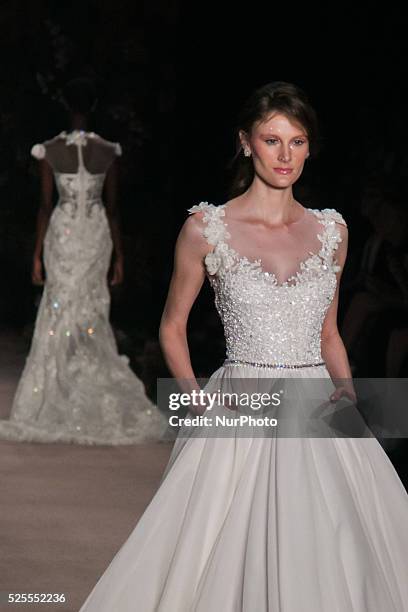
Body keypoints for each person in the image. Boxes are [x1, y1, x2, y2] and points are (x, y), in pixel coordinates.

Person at [78, 82, 408, 610]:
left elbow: (329, 333)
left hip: (320, 405)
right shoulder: (207, 228)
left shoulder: (333, 231)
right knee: (218, 548)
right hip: (241, 404)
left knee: (339, 546)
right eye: (271, 140)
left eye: (297, 142)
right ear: (245, 142)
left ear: (308, 148)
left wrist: (346, 392)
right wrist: (196, 402)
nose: (285, 155)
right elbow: (172, 325)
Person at [0, 77, 169, 445]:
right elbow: (113, 210)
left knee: (60, 307)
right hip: (94, 234)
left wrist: (36, 255)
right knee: (91, 309)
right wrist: (119, 256)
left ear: (65, 106)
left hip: (64, 234)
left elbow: (46, 206)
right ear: (93, 107)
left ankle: (60, 386)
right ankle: (82, 379)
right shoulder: (107, 151)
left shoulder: (50, 150)